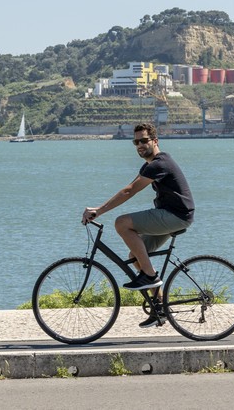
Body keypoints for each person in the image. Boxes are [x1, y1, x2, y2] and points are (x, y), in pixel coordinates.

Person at [82, 122, 194, 328]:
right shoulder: (150, 166)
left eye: (144, 140)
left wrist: (98, 210)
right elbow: (129, 188)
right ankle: (160, 306)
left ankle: (149, 276)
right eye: (136, 142)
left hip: (175, 215)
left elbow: (129, 191)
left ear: (155, 141)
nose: (139, 145)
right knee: (135, 256)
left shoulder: (160, 163)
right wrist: (101, 208)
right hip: (173, 215)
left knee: (122, 223)